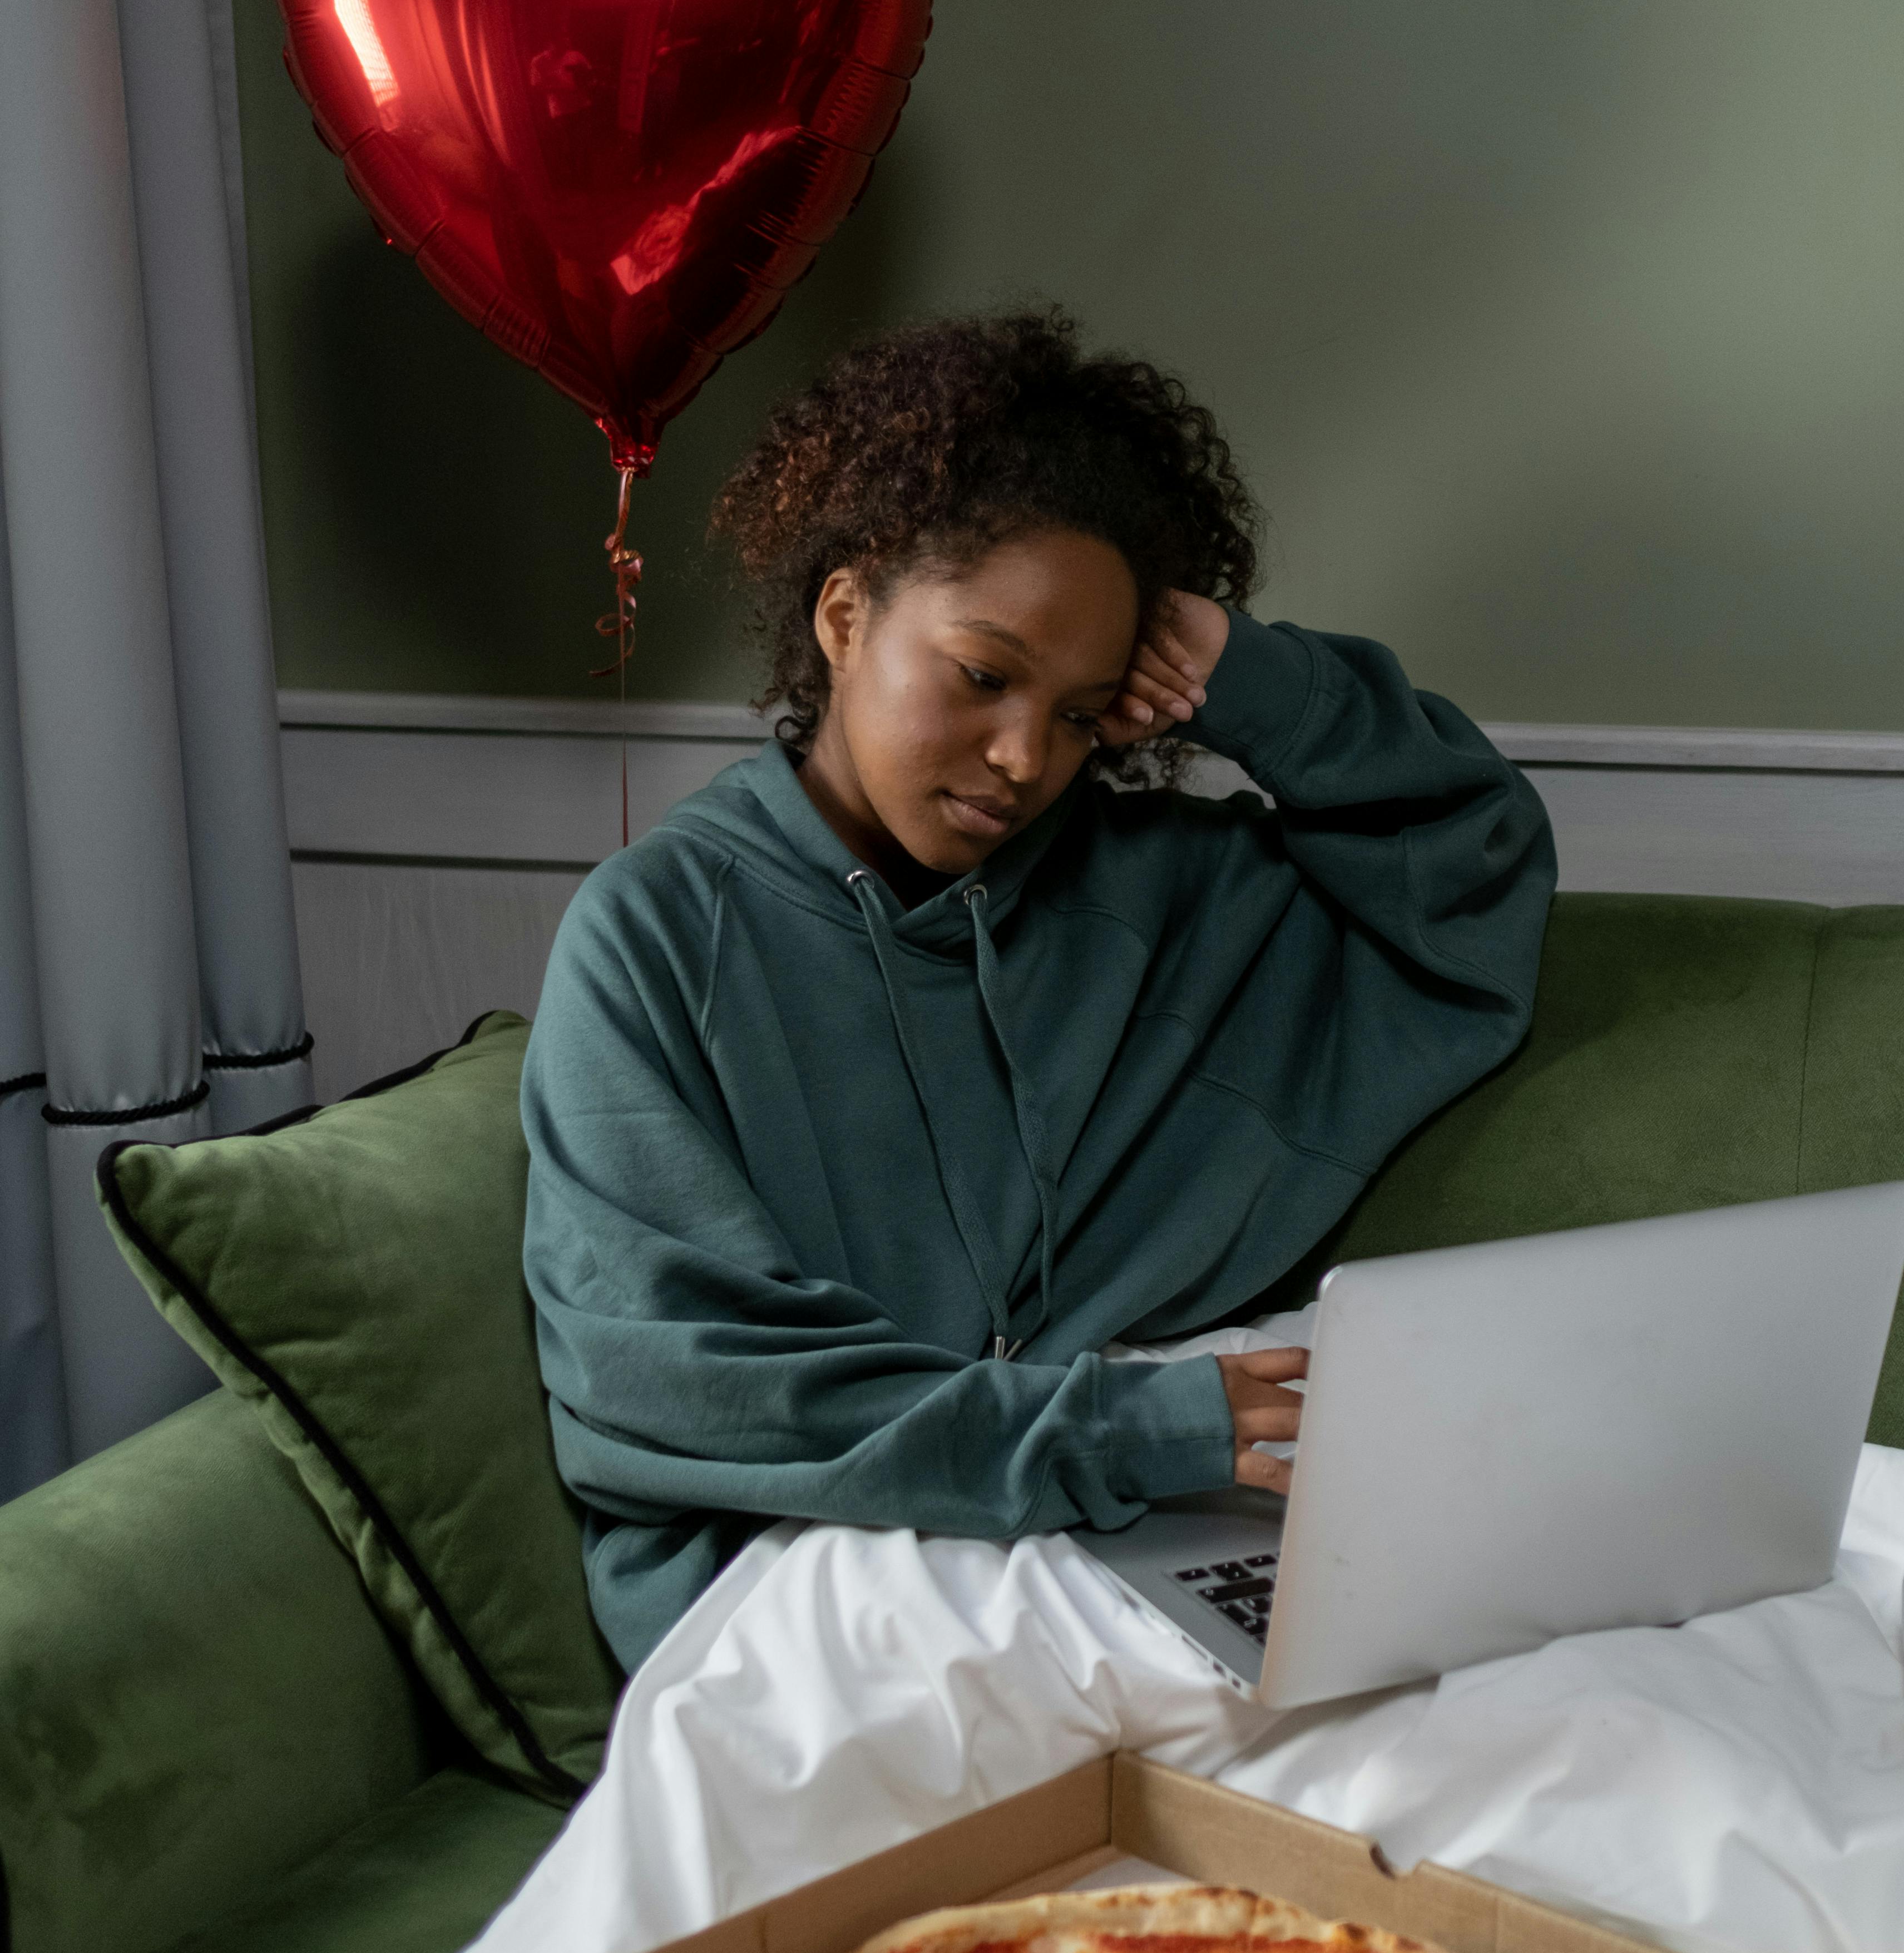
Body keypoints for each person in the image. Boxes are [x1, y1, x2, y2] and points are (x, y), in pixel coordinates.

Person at [522, 310, 1556, 1670]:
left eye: (1076, 712)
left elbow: (1472, 886)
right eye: (982, 675)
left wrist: (1240, 677)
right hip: (803, 1572)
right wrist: (1124, 1434)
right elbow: (681, 1376)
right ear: (844, 614)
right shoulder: (654, 932)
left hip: (1114, 1542)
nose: (1022, 758)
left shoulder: (1154, 895)